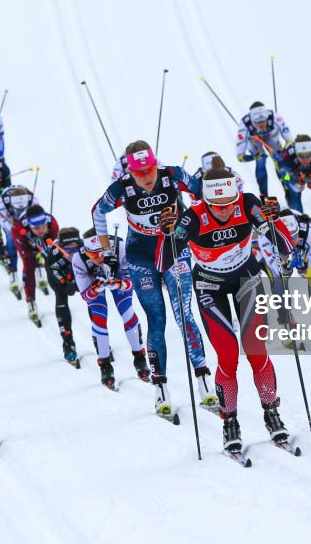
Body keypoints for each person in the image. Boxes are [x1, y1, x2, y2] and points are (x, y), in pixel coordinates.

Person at [162, 168, 295, 453]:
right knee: (228, 354)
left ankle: (272, 413)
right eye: (218, 207)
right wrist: (168, 233)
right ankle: (229, 422)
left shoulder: (247, 203)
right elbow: (164, 259)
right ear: (207, 202)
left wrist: (275, 220)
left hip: (246, 280)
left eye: (230, 205)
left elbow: (285, 245)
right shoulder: (194, 216)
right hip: (210, 287)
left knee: (256, 349)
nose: (225, 211)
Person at [92, 140, 214, 420]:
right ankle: (160, 388)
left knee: (184, 314)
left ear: (156, 164)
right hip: (140, 257)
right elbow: (98, 212)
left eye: (149, 170)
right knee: (156, 319)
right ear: (130, 171)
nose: (146, 177)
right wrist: (107, 251)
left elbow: (202, 194)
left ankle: (204, 380)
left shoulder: (172, 175)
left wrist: (189, 223)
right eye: (139, 173)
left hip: (174, 249)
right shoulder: (121, 188)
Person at [73, 228, 149, 388]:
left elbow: (132, 283)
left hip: (118, 275)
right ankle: (105, 366)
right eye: (93, 255)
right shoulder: (78, 258)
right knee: (99, 319)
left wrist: (119, 283)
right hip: (95, 282)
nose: (99, 258)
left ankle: (140, 358)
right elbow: (85, 296)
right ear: (86, 251)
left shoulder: (119, 247)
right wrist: (95, 288)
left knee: (127, 312)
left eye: (102, 252)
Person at [11, 204, 80, 363]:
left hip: (48, 245)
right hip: (27, 245)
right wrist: (37, 255)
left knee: (51, 260)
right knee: (29, 265)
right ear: (29, 226)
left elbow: (57, 248)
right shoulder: (18, 229)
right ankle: (31, 301)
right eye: (36, 228)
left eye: (43, 226)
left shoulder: (52, 223)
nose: (41, 230)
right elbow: (27, 254)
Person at [236, 101, 292, 196]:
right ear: (252, 120)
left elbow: (290, 140)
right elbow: (240, 156)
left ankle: (288, 187)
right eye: (257, 122)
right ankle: (264, 194)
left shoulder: (275, 117)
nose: (261, 125)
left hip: (271, 136)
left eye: (264, 121)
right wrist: (254, 157)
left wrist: (283, 152)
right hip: (254, 140)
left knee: (279, 160)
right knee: (260, 160)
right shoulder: (244, 124)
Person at [0, 185, 35, 301]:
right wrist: (16, 229)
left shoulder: (33, 200)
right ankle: (13, 270)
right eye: (18, 208)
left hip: (27, 222)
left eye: (23, 208)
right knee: (11, 239)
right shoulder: (1, 205)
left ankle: (37, 264)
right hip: (11, 222)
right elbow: (5, 225)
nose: (20, 211)